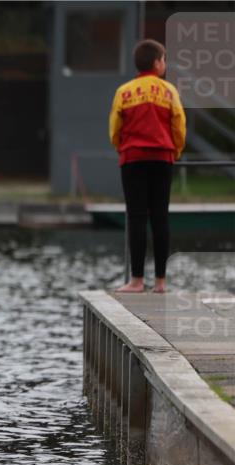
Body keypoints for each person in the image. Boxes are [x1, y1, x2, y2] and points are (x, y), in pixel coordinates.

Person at [109, 38, 186, 294]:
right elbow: (179, 125)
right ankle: (161, 282)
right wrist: (175, 149)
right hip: (162, 158)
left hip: (133, 159)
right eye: (164, 59)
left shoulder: (124, 92)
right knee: (160, 217)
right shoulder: (169, 91)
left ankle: (137, 280)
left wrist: (122, 147)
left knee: (137, 217)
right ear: (156, 63)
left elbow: (114, 128)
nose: (165, 63)